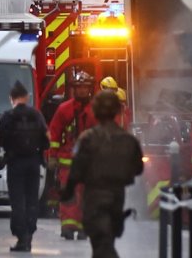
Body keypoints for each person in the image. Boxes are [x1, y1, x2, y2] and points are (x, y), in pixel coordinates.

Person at [60, 91, 144, 258]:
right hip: (118, 196)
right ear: (117, 111)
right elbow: (138, 168)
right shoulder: (129, 140)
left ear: (96, 111)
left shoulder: (87, 139)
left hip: (94, 197)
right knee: (107, 240)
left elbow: (76, 170)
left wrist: (67, 191)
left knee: (101, 244)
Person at [0, 81, 49, 252]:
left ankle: (21, 238)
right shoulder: (36, 115)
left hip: (15, 163)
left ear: (12, 98)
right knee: (32, 200)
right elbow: (48, 137)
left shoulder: (7, 116)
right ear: (27, 97)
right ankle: (29, 236)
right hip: (33, 163)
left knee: (18, 201)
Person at [48, 71, 96, 240]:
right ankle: (68, 226)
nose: (82, 90)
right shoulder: (64, 109)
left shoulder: (95, 110)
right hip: (67, 160)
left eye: (85, 87)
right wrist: (52, 156)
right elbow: (54, 134)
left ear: (89, 88)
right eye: (79, 87)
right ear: (74, 89)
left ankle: (84, 227)